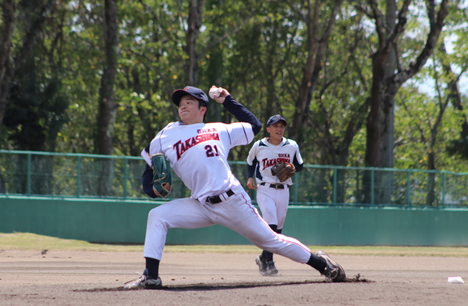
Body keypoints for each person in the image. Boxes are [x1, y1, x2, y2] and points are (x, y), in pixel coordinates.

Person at [124, 85, 345, 289]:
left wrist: (227, 100)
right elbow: (150, 168)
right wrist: (151, 190)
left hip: (231, 200)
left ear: (203, 108)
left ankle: (323, 265)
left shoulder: (219, 129)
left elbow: (254, 126)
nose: (183, 104)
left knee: (271, 240)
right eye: (180, 102)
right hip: (201, 204)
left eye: (189, 101)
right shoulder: (165, 135)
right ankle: (151, 276)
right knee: (157, 215)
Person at [246, 115, 304, 276]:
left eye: (282, 126)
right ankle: (269, 262)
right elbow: (250, 163)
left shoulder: (291, 145)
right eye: (275, 126)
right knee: (270, 221)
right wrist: (250, 177)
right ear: (268, 129)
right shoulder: (259, 145)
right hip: (265, 188)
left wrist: (292, 167)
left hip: (284, 189)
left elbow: (300, 165)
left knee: (278, 229)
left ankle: (263, 257)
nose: (279, 129)